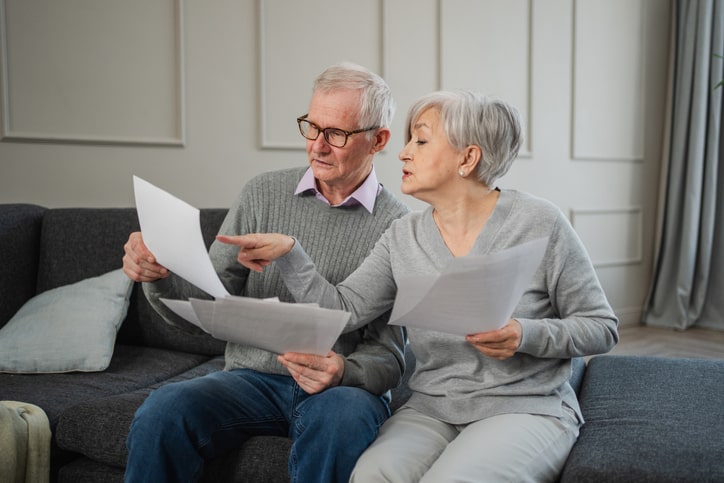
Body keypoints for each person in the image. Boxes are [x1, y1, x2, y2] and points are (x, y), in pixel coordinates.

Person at [219, 90, 620, 482]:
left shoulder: (540, 223)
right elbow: (343, 309)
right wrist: (291, 253)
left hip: (524, 407)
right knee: (371, 474)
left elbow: (602, 327)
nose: (404, 152)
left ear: (468, 158)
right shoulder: (403, 235)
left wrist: (524, 334)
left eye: (421, 140)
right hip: (432, 409)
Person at [121, 62, 410, 483]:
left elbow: (390, 359)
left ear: (378, 139)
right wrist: (156, 274)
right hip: (249, 379)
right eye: (311, 127)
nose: (317, 146)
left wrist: (343, 371)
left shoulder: (398, 226)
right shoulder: (262, 193)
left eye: (336, 134)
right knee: (163, 410)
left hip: (340, 391)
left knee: (342, 422)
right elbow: (206, 308)